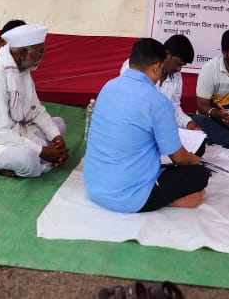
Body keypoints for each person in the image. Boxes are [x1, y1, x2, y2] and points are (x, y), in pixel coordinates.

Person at [84, 38, 209, 213]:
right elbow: (179, 158)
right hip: (129, 197)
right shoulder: (157, 101)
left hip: (94, 186)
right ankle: (169, 200)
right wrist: (194, 161)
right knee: (200, 174)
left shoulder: (107, 87)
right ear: (157, 67)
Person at [0, 24, 68, 177]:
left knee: (58, 125)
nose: (41, 57)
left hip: (15, 129)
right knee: (27, 159)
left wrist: (56, 137)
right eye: (39, 53)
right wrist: (41, 151)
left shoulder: (23, 71)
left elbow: (36, 111)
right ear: (23, 52)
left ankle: (39, 158)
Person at [120, 34, 200, 131]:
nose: (179, 69)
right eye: (178, 64)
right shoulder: (135, 66)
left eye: (182, 65)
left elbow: (172, 107)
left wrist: (187, 123)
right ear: (167, 54)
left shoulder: (177, 77)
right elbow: (128, 105)